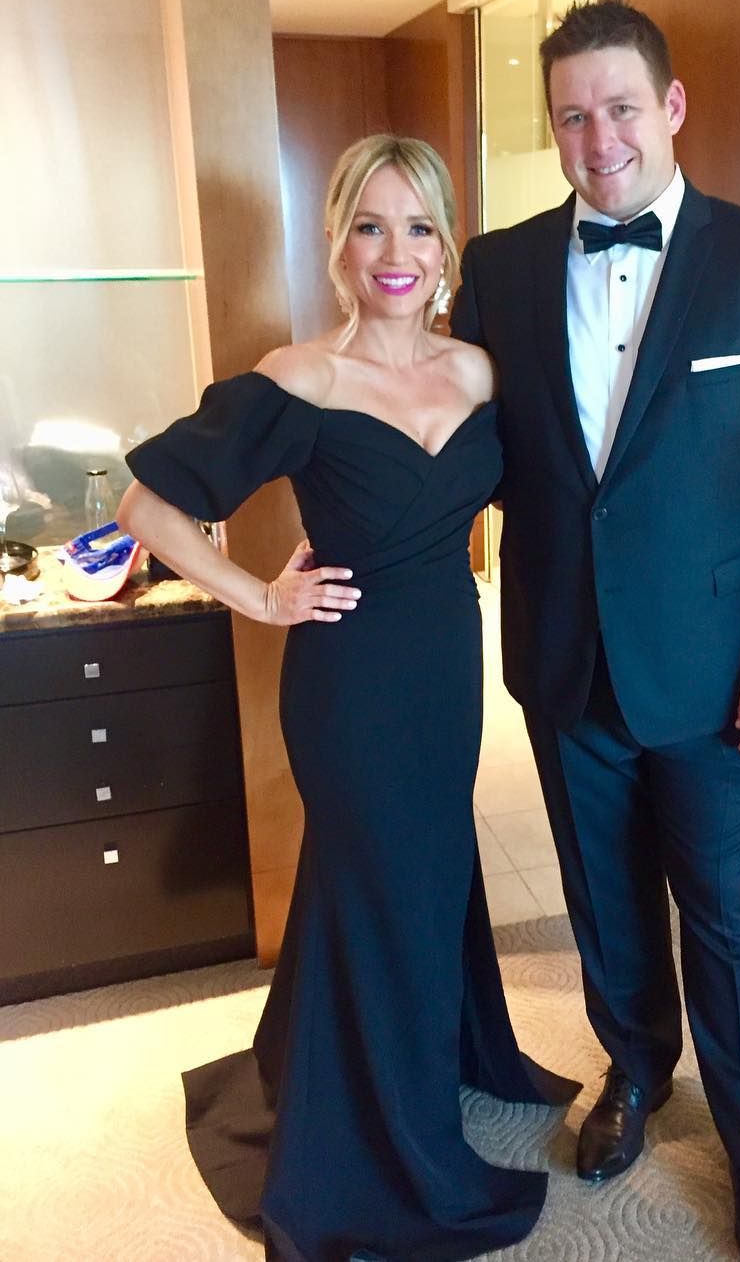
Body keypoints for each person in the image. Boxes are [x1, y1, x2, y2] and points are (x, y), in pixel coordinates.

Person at [118, 134, 579, 1262]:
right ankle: (391, 1147)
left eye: (417, 226)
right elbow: (147, 506)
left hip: (444, 670)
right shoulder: (302, 378)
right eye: (370, 226)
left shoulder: (478, 373)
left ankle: (355, 1054)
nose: (395, 251)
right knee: (387, 884)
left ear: (447, 245)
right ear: (337, 242)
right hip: (349, 681)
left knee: (419, 873)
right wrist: (259, 596)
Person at [450, 0, 740, 1262]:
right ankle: (636, 1069)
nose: (600, 139)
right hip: (566, 662)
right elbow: (464, 450)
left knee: (727, 914)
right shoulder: (501, 268)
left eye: (622, 107)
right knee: (603, 897)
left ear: (671, 107)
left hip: (726, 673)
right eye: (573, 116)